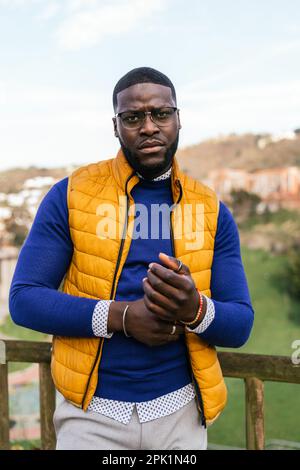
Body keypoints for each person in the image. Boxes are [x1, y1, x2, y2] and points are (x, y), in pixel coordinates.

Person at [9, 67, 254, 450]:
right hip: (90, 417)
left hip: (182, 415)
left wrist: (194, 309)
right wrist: (122, 317)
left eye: (161, 113)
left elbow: (240, 324)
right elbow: (24, 299)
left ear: (178, 119)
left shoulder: (210, 209)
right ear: (116, 126)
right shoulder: (70, 195)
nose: (149, 127)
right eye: (133, 117)